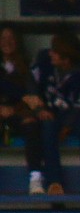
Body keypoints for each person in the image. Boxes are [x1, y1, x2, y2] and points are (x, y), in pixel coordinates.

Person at [30, 29, 80, 195]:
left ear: (66, 60)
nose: (51, 53)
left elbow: (79, 106)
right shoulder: (44, 61)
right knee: (47, 125)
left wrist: (66, 127)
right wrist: (39, 108)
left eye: (55, 52)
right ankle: (54, 181)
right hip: (49, 112)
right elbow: (30, 83)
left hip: (71, 115)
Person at [0, 25, 46, 195]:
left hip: (17, 112)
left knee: (31, 124)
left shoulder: (26, 65)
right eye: (3, 38)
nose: (7, 42)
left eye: (11, 38)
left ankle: (35, 178)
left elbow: (32, 94)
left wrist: (17, 107)